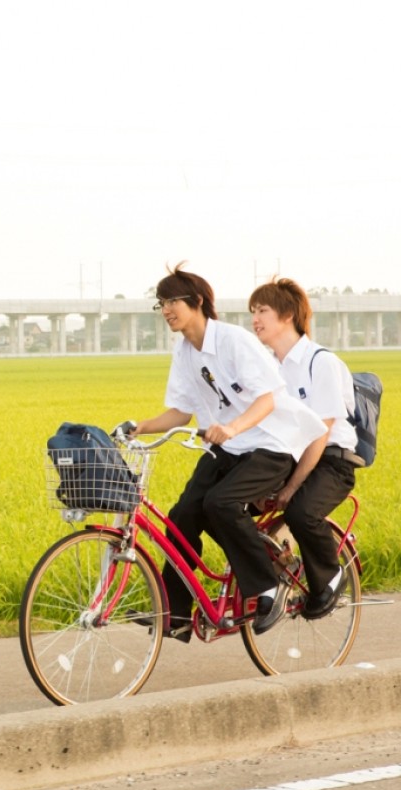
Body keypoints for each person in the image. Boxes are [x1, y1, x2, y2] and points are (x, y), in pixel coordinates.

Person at [123, 263, 325, 639]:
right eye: (161, 303)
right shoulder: (185, 351)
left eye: (173, 301)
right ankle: (178, 613)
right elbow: (181, 410)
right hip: (229, 447)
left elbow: (268, 400)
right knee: (181, 515)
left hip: (270, 444)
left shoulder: (234, 341)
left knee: (220, 503)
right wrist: (141, 426)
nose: (166, 309)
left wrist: (231, 427)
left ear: (197, 301)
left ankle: (267, 587)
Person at [249, 277, 360, 620]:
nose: (255, 318)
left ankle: (330, 575)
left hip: (330, 460)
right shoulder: (270, 368)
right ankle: (273, 574)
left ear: (287, 315)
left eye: (262, 310)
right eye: (252, 311)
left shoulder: (320, 363)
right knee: (225, 504)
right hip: (290, 457)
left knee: (300, 511)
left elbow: (320, 434)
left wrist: (292, 487)